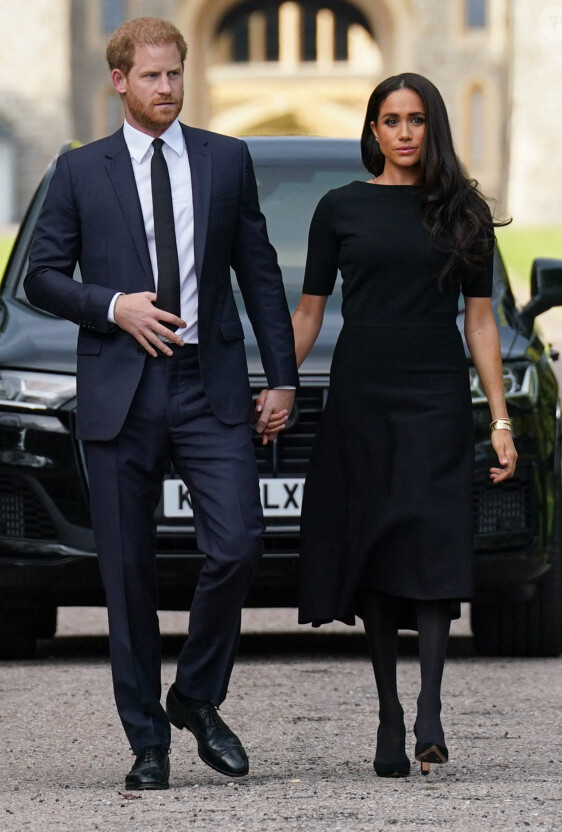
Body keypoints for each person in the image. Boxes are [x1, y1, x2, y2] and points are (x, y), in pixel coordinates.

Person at [24, 17, 297, 790]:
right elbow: (43, 276)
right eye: (151, 76)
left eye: (175, 74)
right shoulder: (82, 171)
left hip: (208, 386)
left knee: (240, 542)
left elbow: (260, 271)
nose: (168, 88)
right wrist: (115, 306)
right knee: (128, 578)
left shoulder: (226, 159)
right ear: (120, 81)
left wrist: (279, 375)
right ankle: (148, 743)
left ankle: (195, 697)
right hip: (120, 389)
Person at [288, 73, 517, 778]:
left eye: (417, 119)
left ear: (433, 127)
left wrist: (500, 419)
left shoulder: (463, 212)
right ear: (373, 130)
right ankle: (389, 710)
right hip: (363, 395)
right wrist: (275, 384)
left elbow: (480, 322)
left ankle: (430, 708)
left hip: (435, 396)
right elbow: (309, 312)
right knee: (379, 549)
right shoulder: (339, 209)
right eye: (391, 120)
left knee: (433, 539)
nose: (405, 132)